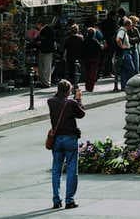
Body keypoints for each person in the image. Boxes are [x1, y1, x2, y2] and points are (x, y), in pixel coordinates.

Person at [48, 79, 85, 209]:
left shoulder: (51, 102)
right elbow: (81, 114)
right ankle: (69, 200)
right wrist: (78, 99)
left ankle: (56, 199)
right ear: (68, 91)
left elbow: (56, 99)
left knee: (56, 170)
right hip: (70, 138)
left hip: (57, 139)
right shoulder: (71, 103)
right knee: (71, 170)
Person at [115, 18, 137, 90]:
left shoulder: (123, 31)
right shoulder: (122, 31)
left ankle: (124, 86)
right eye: (131, 25)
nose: (131, 27)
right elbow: (118, 39)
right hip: (125, 52)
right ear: (128, 25)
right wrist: (122, 46)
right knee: (131, 69)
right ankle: (130, 85)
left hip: (124, 52)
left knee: (124, 70)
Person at [82, 27, 103, 92]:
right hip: (94, 59)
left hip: (86, 59)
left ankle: (87, 86)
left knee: (87, 73)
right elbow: (100, 49)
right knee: (93, 74)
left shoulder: (84, 41)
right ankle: (90, 87)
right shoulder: (95, 41)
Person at [36, 20, 56, 87]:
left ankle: (46, 82)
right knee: (43, 67)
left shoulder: (47, 30)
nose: (37, 26)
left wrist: (39, 42)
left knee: (46, 67)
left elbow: (46, 40)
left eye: (37, 24)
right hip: (45, 51)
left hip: (46, 51)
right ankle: (44, 82)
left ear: (40, 24)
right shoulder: (47, 30)